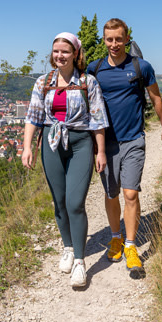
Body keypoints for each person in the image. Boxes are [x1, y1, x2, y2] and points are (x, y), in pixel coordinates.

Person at [88, 18, 162, 278]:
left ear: (127, 39)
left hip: (134, 139)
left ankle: (131, 245)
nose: (114, 44)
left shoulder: (141, 66)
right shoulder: (95, 68)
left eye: (118, 39)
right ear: (104, 40)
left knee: (131, 193)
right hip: (106, 143)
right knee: (111, 193)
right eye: (109, 39)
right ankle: (115, 238)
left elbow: (155, 97)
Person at [22, 32, 108, 288]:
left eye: (65, 51)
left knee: (75, 203)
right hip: (51, 142)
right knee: (59, 201)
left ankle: (81, 262)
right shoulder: (43, 82)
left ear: (75, 54)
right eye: (56, 51)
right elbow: (33, 116)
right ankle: (68, 247)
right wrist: (27, 147)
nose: (60, 56)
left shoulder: (87, 82)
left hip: (80, 142)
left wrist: (100, 151)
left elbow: (98, 119)